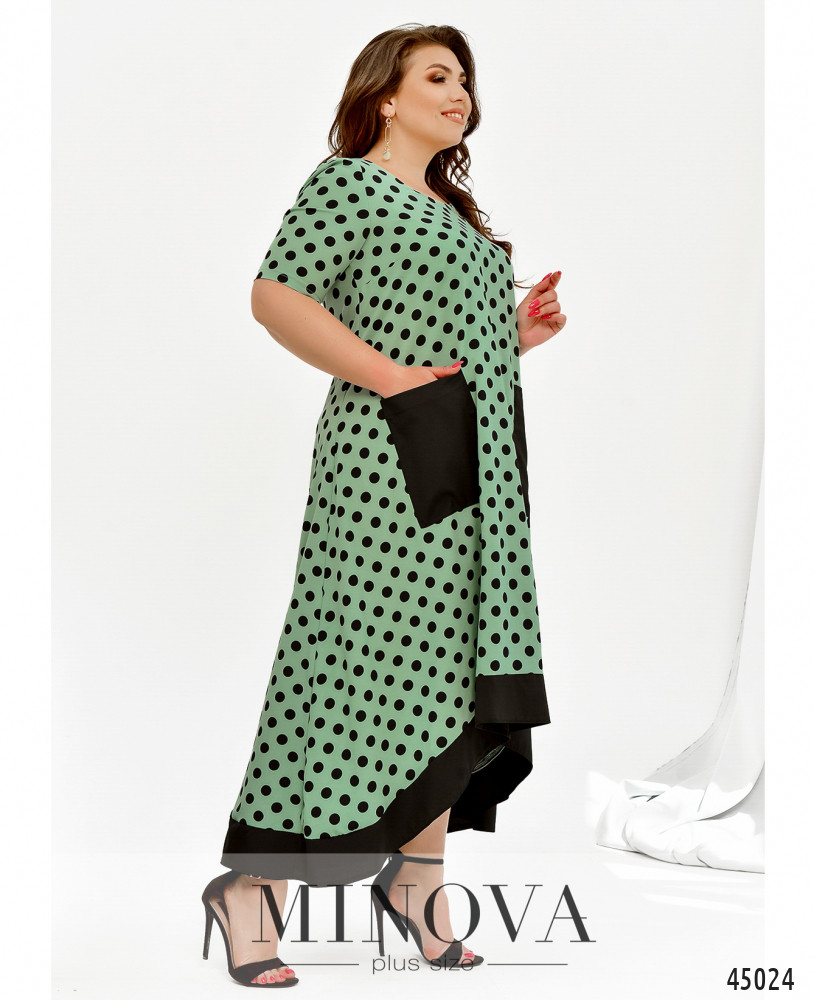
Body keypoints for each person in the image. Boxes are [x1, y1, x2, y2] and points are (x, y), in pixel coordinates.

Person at [201, 22, 567, 988]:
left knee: (449, 670)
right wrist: (389, 376)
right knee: (349, 662)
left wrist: (516, 334)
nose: (461, 94)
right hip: (381, 466)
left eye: (466, 81)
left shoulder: (459, 218)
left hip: (477, 472)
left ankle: (417, 879)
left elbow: (454, 353)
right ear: (387, 97)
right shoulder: (348, 186)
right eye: (439, 77)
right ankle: (254, 889)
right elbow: (276, 296)